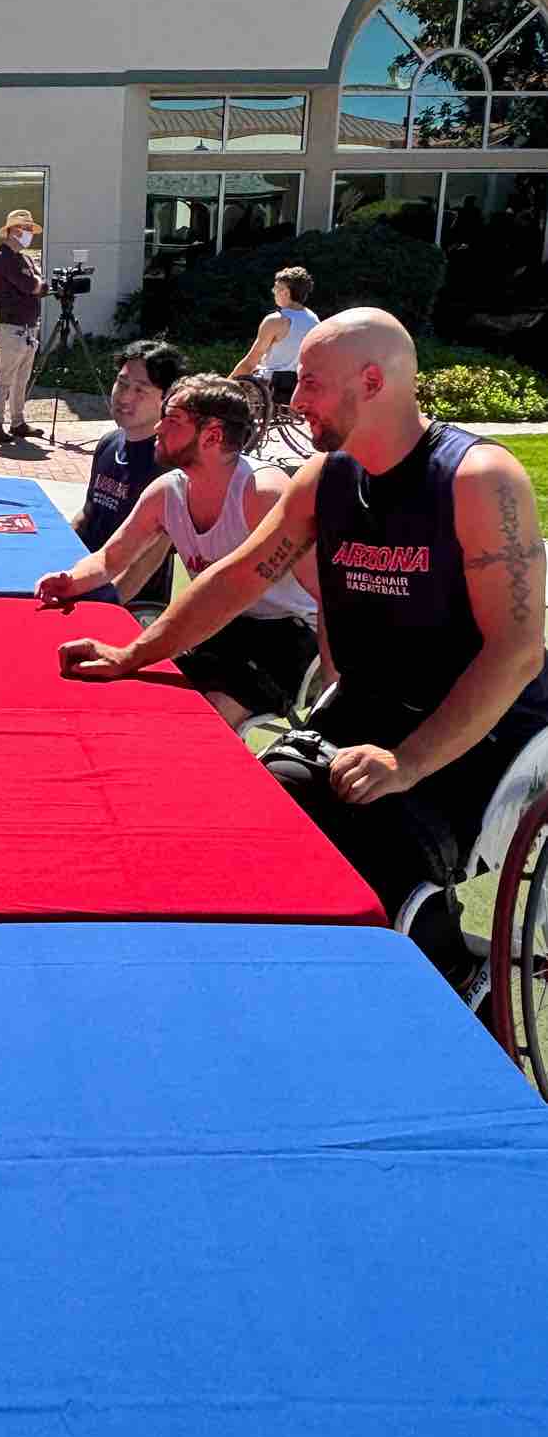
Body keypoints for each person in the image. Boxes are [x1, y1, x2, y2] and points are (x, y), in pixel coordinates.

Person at [57, 309, 548, 986]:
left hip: (477, 724)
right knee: (256, 824)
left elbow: (517, 652)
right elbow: (235, 578)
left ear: (371, 382)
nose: (293, 401)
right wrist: (132, 654)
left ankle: (455, 967)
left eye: (310, 383)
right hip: (370, 703)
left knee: (377, 852)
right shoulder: (326, 479)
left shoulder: (475, 479)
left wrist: (407, 761)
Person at [40, 374, 325, 728]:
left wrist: (335, 694)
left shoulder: (262, 494)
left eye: (172, 419)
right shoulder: (168, 491)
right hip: (217, 622)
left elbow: (329, 596)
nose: (157, 427)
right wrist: (70, 581)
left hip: (289, 633)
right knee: (143, 700)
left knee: (207, 722)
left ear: (213, 435)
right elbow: (110, 558)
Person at [72, 341, 190, 609]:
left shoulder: (172, 468)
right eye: (122, 384)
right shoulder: (108, 443)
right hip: (84, 582)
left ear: (167, 398)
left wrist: (103, 607)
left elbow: (148, 559)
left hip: (130, 605)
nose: (125, 397)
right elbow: (87, 516)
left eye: (141, 390)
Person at [0, 207, 47, 445]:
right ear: (11, 231)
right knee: (5, 378)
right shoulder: (3, 259)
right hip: (12, 327)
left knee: (22, 377)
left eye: (30, 229)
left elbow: (38, 285)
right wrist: (39, 284)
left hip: (28, 325)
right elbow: (32, 286)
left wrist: (39, 284)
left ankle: (18, 422)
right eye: (25, 228)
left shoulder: (24, 258)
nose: (29, 233)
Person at [232, 265, 319, 402]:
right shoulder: (314, 320)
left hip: (270, 388)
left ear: (285, 292)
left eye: (276, 288)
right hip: (298, 387)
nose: (274, 292)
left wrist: (226, 384)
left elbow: (250, 362)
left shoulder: (276, 320)